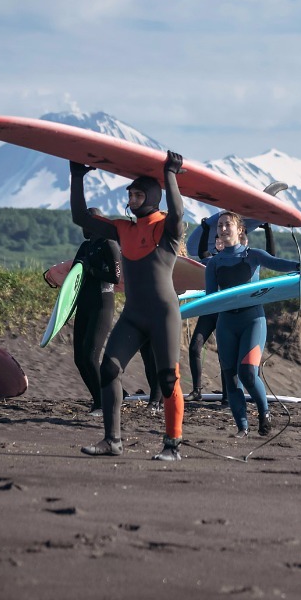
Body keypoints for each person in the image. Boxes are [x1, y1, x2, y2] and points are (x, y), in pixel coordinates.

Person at [71, 153, 187, 461]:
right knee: (109, 369)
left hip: (164, 314)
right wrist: (78, 176)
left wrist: (170, 174)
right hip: (134, 315)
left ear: (152, 197)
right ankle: (113, 441)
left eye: (138, 194)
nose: (132, 199)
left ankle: (172, 446)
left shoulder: (167, 229)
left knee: (167, 380)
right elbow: (82, 219)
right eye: (130, 195)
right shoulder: (124, 229)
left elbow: (178, 214)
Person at [202, 211, 301, 437]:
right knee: (230, 378)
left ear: (240, 229)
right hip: (226, 323)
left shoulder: (253, 255)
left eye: (227, 225)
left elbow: (277, 263)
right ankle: (242, 426)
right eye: (219, 225)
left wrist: (299, 266)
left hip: (252, 319)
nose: (222, 229)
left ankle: (264, 412)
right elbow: (210, 298)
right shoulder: (213, 263)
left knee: (248, 373)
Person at [188, 214, 277, 403]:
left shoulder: (248, 257)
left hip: (229, 312)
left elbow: (272, 257)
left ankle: (230, 397)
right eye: (217, 241)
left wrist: (268, 230)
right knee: (196, 346)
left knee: (230, 357)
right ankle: (197, 390)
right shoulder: (213, 261)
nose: (220, 244)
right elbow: (202, 253)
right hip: (211, 310)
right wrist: (205, 228)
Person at [46, 207, 122, 415]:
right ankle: (97, 399)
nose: (82, 230)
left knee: (90, 356)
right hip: (84, 305)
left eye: (85, 225)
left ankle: (103, 403)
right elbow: (74, 276)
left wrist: (91, 270)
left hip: (102, 304)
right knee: (79, 358)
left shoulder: (109, 244)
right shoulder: (85, 246)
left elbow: (115, 277)